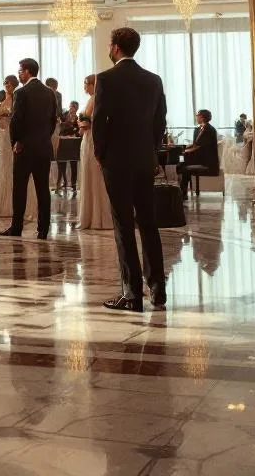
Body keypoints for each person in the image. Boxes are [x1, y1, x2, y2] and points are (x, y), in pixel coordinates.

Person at [92, 26, 167, 313]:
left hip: (116, 162)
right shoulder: (154, 80)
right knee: (149, 224)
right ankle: (158, 292)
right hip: (144, 160)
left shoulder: (106, 79)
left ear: (115, 48)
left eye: (110, 46)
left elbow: (100, 121)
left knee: (123, 225)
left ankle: (132, 293)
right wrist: (150, 150)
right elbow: (160, 121)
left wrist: (100, 153)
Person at [0, 58, 58, 240]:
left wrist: (16, 141)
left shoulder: (21, 92)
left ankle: (16, 228)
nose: (18, 74)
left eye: (20, 71)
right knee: (43, 189)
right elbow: (53, 120)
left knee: (20, 189)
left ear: (27, 71)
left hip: (24, 148)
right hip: (43, 148)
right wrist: (44, 138)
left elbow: (17, 120)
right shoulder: (50, 93)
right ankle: (43, 230)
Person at [0, 75, 35, 221]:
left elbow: (22, 119)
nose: (7, 86)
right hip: (1, 137)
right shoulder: (2, 102)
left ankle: (15, 204)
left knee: (13, 168)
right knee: (2, 167)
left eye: (9, 84)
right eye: (5, 83)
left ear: (14, 85)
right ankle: (3, 202)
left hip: (12, 136)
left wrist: (8, 116)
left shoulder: (18, 99)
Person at [77, 75, 112, 231]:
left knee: (92, 175)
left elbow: (86, 124)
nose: (84, 86)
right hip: (89, 139)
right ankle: (99, 215)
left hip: (91, 140)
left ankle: (95, 216)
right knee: (95, 176)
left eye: (86, 83)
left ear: (93, 85)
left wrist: (80, 122)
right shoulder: (97, 99)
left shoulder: (93, 99)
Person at [179, 109, 220, 199]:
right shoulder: (197, 129)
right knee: (181, 160)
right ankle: (183, 190)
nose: (196, 117)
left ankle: (183, 192)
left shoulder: (210, 130)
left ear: (202, 117)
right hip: (198, 156)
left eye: (197, 115)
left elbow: (200, 146)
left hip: (207, 160)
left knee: (183, 165)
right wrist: (183, 149)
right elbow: (195, 144)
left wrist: (185, 151)